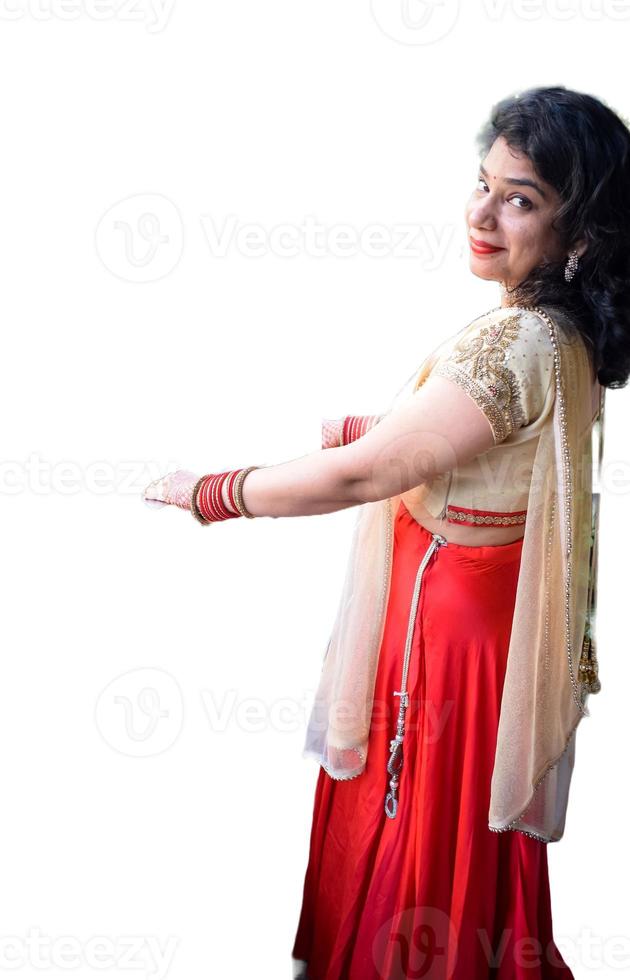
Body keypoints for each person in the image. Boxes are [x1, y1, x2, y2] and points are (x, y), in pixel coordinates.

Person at [142, 86, 630, 979]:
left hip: (442, 645)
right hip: (475, 631)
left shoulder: (516, 342)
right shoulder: (563, 332)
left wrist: (211, 491)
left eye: (519, 198)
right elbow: (498, 449)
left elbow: (369, 479)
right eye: (481, 183)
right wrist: (391, 426)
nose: (480, 213)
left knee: (415, 850)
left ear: (583, 232)